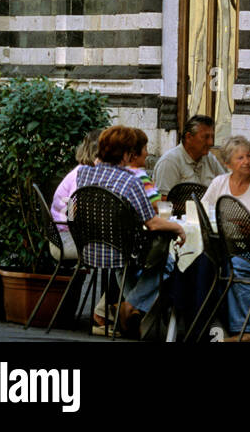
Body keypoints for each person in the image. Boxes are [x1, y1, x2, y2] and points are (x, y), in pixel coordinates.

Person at [74, 125, 186, 335]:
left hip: (88, 248)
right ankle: (131, 305)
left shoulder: (83, 173)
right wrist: (177, 227)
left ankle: (131, 308)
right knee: (166, 262)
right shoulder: (131, 180)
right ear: (127, 154)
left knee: (123, 260)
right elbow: (152, 222)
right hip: (121, 252)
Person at [202, 135, 250, 339]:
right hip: (221, 246)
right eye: (240, 158)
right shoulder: (219, 182)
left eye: (249, 156)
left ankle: (248, 328)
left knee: (235, 265)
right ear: (227, 163)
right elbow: (202, 210)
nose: (247, 161)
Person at [50, 128, 103, 261]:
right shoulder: (80, 176)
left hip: (68, 233)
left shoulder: (84, 171)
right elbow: (71, 211)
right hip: (66, 236)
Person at [152, 115, 224, 197]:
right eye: (205, 137)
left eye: (212, 137)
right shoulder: (169, 162)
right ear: (189, 137)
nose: (210, 142)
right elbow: (163, 200)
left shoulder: (210, 159)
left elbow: (225, 186)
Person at [127, 128, 160, 211]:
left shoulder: (119, 172)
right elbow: (156, 205)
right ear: (135, 154)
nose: (147, 153)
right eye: (145, 149)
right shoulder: (139, 175)